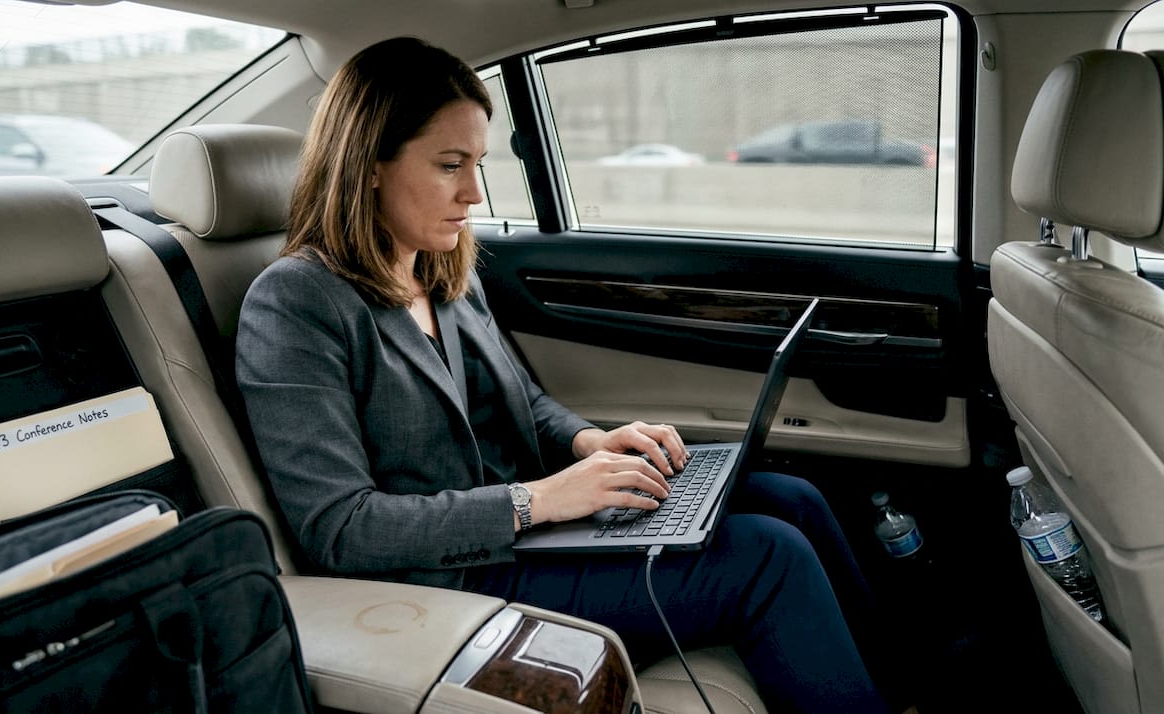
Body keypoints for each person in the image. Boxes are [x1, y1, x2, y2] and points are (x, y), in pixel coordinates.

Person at [236, 36, 903, 714]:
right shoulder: (294, 302)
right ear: (368, 163)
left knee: (790, 497)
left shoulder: (440, 269)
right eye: (449, 165)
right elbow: (339, 527)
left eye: (477, 164)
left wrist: (591, 443)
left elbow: (521, 397)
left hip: (533, 529)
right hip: (453, 577)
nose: (472, 192)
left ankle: (892, 692)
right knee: (767, 556)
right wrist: (540, 501)